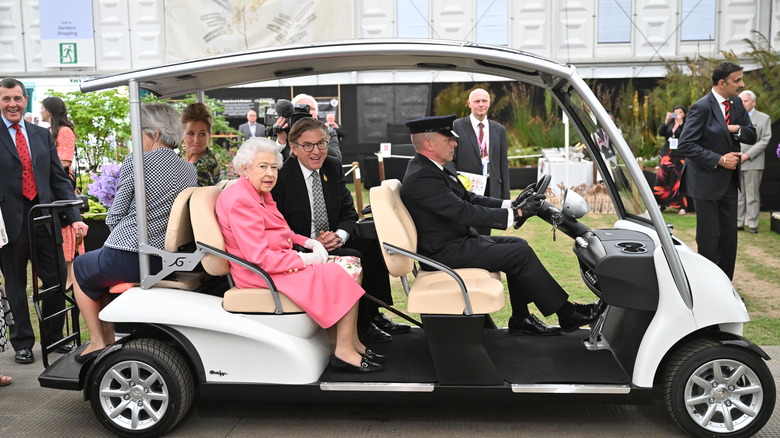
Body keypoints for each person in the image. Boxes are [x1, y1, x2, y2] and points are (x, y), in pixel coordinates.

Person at [401, 115, 600, 335]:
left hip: (454, 243)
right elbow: (464, 212)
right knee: (518, 253)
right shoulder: (423, 177)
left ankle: (521, 318)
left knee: (518, 245)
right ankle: (567, 314)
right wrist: (518, 213)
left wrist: (513, 204)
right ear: (428, 144)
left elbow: (470, 199)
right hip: (443, 252)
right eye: (448, 139)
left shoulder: (433, 169)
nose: (455, 143)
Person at [216, 137, 383, 373]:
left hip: (276, 261)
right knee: (344, 270)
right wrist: (305, 258)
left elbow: (282, 231)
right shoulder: (241, 200)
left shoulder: (258, 193)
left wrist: (307, 242)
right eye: (262, 166)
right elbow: (259, 259)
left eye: (273, 167)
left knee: (353, 261)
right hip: (260, 273)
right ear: (245, 168)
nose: (270, 173)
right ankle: (344, 350)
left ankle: (349, 341)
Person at [72, 103, 198, 362]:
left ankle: (98, 341)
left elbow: (115, 215)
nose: (132, 136)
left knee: (80, 267)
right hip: (164, 257)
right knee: (97, 268)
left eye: (136, 130)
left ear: (155, 133)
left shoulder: (138, 161)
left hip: (132, 252)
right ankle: (109, 340)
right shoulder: (188, 168)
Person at [271, 117, 408, 343]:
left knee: (373, 245)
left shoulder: (332, 166)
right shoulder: (281, 177)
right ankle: (361, 326)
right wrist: (313, 242)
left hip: (333, 240)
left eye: (321, 143)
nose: (316, 151)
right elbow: (278, 225)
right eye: (308, 145)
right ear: (293, 148)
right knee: (355, 257)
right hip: (300, 248)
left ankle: (374, 314)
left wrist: (340, 236)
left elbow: (349, 212)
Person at [0, 77, 89, 364]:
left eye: (17, 98)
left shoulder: (40, 135)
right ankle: (23, 343)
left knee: (55, 278)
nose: (12, 104)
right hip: (8, 223)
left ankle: (53, 337)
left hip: (44, 219)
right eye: (6, 99)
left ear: (25, 100)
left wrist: (74, 217)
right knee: (15, 284)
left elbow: (59, 180)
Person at [677, 62, 757, 280]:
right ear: (722, 83)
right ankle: (707, 287)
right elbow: (686, 145)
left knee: (729, 239)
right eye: (737, 80)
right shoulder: (701, 107)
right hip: (705, 182)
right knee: (709, 239)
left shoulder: (738, 104)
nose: (742, 84)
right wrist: (720, 159)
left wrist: (735, 128)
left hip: (730, 183)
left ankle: (725, 287)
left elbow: (752, 135)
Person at [41, 96, 85, 289]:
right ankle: (64, 278)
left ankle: (70, 278)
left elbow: (65, 162)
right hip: (51, 188)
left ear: (49, 111)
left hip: (61, 188)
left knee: (67, 229)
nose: (40, 112)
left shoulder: (64, 131)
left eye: (42, 108)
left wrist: (41, 168)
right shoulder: (48, 132)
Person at [447, 88, 510, 201]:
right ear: (469, 104)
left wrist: (506, 198)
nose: (481, 104)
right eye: (477, 101)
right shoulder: (456, 126)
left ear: (489, 103)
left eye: (484, 101)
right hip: (468, 190)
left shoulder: (499, 130)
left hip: (493, 189)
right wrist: (457, 182)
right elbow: (448, 159)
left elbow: (503, 165)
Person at [736, 90, 771, 234]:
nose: (742, 104)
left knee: (752, 194)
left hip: (753, 162)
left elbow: (765, 140)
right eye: (741, 101)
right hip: (736, 160)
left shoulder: (764, 118)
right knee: (738, 194)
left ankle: (752, 224)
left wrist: (748, 155)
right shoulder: (734, 117)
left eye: (745, 101)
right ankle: (738, 223)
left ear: (753, 102)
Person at [273, 94, 342, 162]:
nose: (308, 113)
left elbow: (337, 159)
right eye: (301, 110)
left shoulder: (329, 133)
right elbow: (274, 162)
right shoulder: (282, 134)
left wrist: (319, 137)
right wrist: (281, 141)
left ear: (317, 114)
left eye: (311, 108)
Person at [653, 105, 689, 214]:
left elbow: (687, 135)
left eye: (680, 112)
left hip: (680, 155)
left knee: (678, 180)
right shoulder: (670, 124)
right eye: (675, 112)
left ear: (684, 114)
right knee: (662, 178)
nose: (677, 114)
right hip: (667, 155)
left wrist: (681, 123)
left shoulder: (686, 125)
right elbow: (661, 132)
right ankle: (661, 203)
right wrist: (666, 121)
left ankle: (681, 206)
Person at [181, 102, 222, 186]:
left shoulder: (204, 166)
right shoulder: (180, 156)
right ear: (182, 134)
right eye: (191, 133)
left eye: (202, 134)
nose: (196, 140)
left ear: (209, 135)